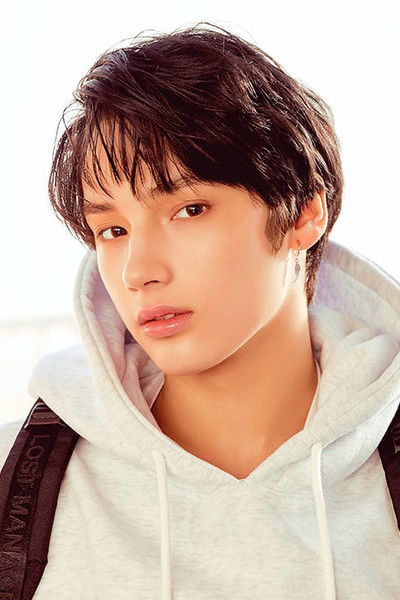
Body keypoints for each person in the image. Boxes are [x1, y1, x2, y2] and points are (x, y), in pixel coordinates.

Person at [1, 21, 400, 600]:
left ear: (303, 213)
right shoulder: (17, 481)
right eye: (112, 229)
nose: (138, 270)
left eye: (188, 210)